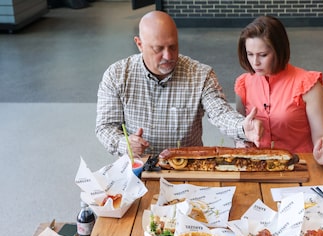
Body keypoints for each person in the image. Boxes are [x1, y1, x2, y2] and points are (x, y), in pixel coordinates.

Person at [96, 11, 262, 157]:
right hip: (139, 167)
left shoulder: (200, 74)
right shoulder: (117, 75)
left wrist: (242, 127)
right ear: (139, 44)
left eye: (173, 46)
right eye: (158, 49)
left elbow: (221, 113)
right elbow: (105, 127)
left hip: (187, 169)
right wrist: (125, 144)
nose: (168, 56)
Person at [235, 15, 323, 165]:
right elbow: (240, 130)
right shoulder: (243, 84)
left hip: (299, 165)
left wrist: (322, 151)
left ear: (279, 50)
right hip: (258, 166)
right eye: (250, 54)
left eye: (263, 55)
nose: (255, 62)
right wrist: (241, 143)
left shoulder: (308, 84)